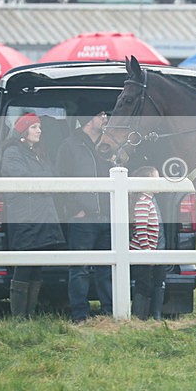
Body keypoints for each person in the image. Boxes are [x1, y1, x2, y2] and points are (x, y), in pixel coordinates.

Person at [1, 112, 66, 318]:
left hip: (42, 216)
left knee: (36, 267)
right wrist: (46, 178)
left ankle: (29, 315)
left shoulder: (39, 152)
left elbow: (54, 176)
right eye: (34, 127)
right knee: (24, 266)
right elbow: (22, 177)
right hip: (25, 219)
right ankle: (20, 317)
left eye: (39, 127)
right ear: (23, 130)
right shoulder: (12, 152)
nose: (39, 131)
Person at [55, 109, 113, 323]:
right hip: (83, 218)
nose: (106, 119)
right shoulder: (70, 146)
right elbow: (60, 179)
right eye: (101, 115)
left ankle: (109, 313)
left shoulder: (109, 146)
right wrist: (73, 210)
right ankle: (80, 315)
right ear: (89, 119)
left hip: (108, 217)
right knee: (79, 269)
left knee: (107, 267)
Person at [129, 166, 167, 320]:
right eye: (155, 179)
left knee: (146, 282)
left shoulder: (147, 201)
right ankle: (139, 316)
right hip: (142, 251)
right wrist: (147, 251)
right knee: (143, 283)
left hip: (147, 250)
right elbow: (141, 229)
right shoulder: (143, 202)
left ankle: (143, 316)